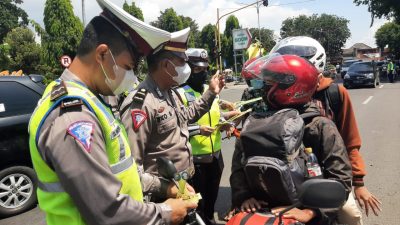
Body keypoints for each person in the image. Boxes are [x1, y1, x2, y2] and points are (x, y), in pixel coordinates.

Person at [28, 0, 197, 224]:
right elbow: (106, 211)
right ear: (102, 54)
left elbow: (122, 170)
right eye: (128, 67)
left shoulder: (92, 101)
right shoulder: (72, 116)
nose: (132, 78)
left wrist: (164, 188)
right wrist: (166, 213)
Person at [269, 36, 382, 224]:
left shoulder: (334, 94)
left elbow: (350, 142)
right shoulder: (272, 96)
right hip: (285, 175)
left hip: (330, 174)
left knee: (350, 215)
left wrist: (359, 182)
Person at [230, 54, 352, 225]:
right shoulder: (254, 122)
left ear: (291, 86)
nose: (263, 88)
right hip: (264, 215)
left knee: (351, 216)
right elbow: (238, 168)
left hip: (307, 215)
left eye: (269, 83)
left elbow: (341, 177)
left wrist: (311, 212)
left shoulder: (319, 126)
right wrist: (244, 197)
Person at [119, 33, 225, 203]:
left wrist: (211, 93)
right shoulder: (141, 103)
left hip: (181, 185)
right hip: (161, 198)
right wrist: (166, 189)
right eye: (183, 62)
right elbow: (131, 170)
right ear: (167, 65)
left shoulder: (170, 92)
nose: (187, 68)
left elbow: (186, 116)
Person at [175, 48, 239, 225]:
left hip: (216, 156)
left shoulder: (209, 90)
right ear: (188, 70)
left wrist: (227, 121)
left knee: (211, 202)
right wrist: (197, 129)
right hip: (195, 161)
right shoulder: (179, 94)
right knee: (197, 206)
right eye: (197, 70)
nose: (202, 74)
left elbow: (215, 115)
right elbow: (175, 128)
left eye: (205, 70)